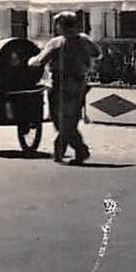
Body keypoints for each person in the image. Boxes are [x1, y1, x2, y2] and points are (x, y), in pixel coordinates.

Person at [27, 11, 100, 164]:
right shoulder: (85, 40)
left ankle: (69, 149)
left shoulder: (56, 43)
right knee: (71, 119)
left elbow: (39, 60)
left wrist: (29, 61)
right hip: (79, 84)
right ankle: (77, 150)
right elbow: (97, 53)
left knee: (58, 119)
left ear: (61, 26)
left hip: (60, 85)